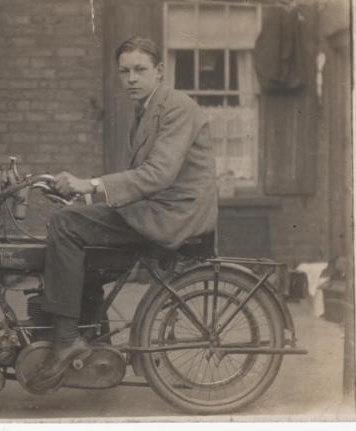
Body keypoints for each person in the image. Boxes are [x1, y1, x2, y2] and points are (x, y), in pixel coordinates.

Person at [29, 36, 218, 390]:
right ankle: (96, 339)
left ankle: (67, 339)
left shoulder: (177, 107)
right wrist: (87, 199)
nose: (130, 78)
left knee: (64, 225)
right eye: (124, 71)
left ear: (159, 71)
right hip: (157, 207)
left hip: (172, 213)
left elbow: (158, 174)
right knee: (77, 222)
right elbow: (141, 182)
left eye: (139, 70)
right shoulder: (147, 109)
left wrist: (89, 185)